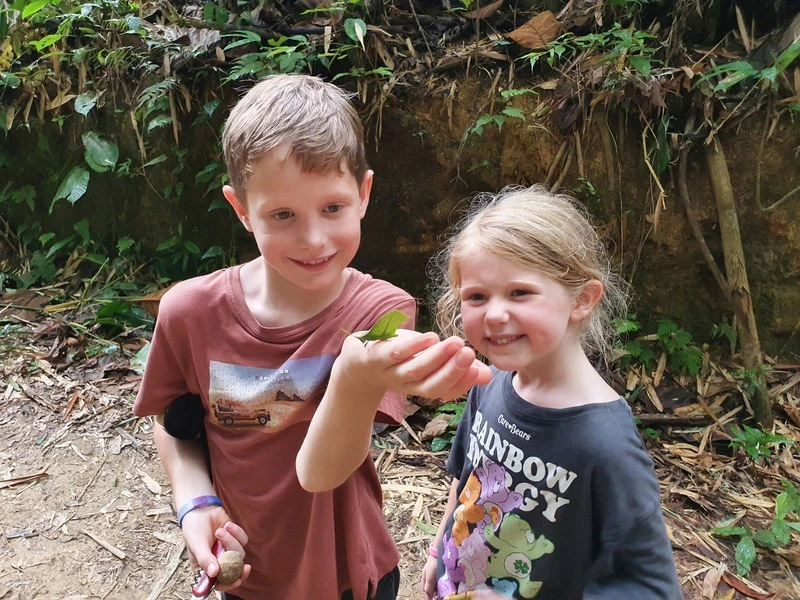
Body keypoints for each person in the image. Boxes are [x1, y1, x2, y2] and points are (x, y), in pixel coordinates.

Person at [133, 74, 491, 600]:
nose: (314, 239)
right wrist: (195, 502)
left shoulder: (380, 311)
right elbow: (176, 422)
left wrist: (356, 373)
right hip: (245, 570)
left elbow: (324, 470)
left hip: (348, 573)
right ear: (241, 210)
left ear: (364, 193)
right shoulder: (189, 311)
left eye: (332, 208)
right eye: (283, 215)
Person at [420, 186, 683, 600]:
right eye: (475, 296)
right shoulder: (489, 384)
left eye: (519, 292)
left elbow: (650, 588)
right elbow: (465, 481)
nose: (494, 314)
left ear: (581, 299)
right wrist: (439, 552)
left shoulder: (606, 446)